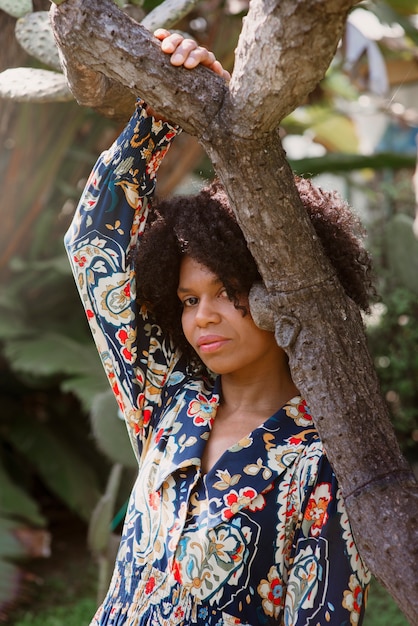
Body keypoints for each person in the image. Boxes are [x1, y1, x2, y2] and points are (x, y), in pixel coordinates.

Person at [65, 29, 372, 626]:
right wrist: (165, 103)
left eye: (226, 294)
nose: (201, 316)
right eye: (186, 299)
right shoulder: (168, 403)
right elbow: (92, 245)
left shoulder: (323, 462)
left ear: (280, 292)